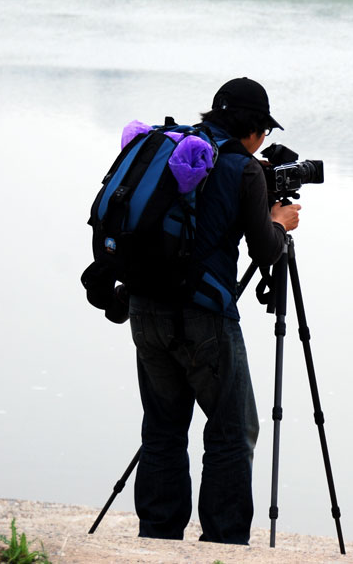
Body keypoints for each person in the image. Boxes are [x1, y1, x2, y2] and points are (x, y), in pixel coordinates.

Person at [128, 77, 300, 545]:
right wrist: (278, 222)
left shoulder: (183, 147)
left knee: (163, 427)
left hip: (144, 308)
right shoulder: (242, 170)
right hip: (204, 315)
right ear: (254, 128)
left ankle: (157, 537)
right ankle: (224, 544)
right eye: (263, 131)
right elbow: (265, 251)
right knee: (232, 430)